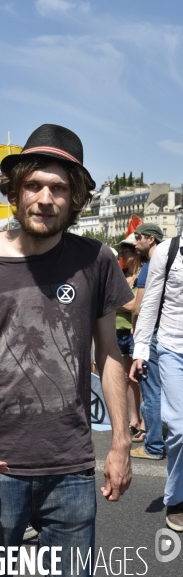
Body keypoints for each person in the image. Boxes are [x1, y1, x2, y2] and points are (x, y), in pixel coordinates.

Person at [0, 124, 133, 575]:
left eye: (59, 188)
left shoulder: (96, 259)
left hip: (72, 469)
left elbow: (110, 355)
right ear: (15, 191)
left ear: (75, 198)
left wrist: (120, 443)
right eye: (34, 185)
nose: (45, 198)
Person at [130, 232, 183, 530]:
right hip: (173, 347)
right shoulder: (168, 251)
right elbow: (149, 303)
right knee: (178, 427)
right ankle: (177, 497)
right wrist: (140, 351)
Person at [130, 223, 165, 460]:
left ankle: (153, 445)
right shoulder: (171, 264)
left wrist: (135, 329)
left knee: (150, 391)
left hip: (150, 334)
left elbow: (138, 308)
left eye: (139, 238)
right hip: (168, 333)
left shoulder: (149, 268)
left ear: (151, 240)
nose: (135, 243)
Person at [115, 234, 144, 439]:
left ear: (136, 254)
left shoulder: (144, 275)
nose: (121, 255)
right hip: (119, 331)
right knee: (127, 379)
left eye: (124, 251)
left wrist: (116, 305)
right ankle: (133, 420)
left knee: (140, 379)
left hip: (135, 331)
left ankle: (144, 422)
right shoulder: (123, 275)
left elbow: (136, 306)